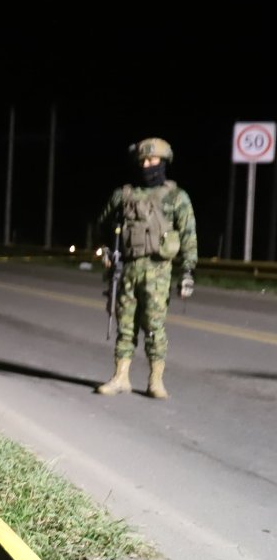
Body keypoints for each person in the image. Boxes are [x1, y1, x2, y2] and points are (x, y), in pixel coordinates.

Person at [96, 137, 197, 399]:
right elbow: (103, 227)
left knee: (154, 326)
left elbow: (188, 237)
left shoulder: (176, 197)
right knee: (125, 326)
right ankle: (120, 377)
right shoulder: (123, 195)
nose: (147, 164)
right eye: (142, 160)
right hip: (126, 269)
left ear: (163, 162)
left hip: (158, 271)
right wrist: (106, 250)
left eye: (152, 160)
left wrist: (187, 272)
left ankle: (155, 380)